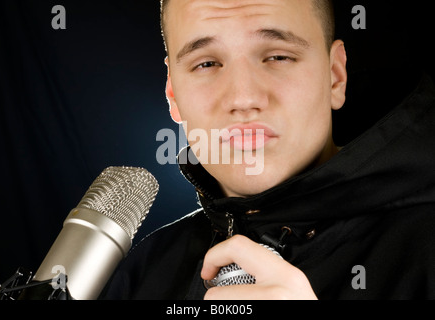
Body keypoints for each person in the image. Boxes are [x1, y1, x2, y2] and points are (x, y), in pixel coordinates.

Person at [101, 0, 435, 299]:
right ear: (173, 94)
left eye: (277, 56)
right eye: (206, 64)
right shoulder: (144, 271)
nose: (243, 99)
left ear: (335, 77)